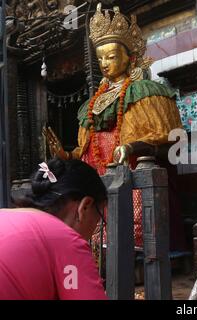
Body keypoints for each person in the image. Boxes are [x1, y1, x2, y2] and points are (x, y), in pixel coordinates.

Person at [42, 3, 184, 250]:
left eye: (111, 56)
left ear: (130, 57)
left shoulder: (146, 93)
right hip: (98, 180)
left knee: (131, 226)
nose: (104, 63)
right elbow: (87, 148)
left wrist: (131, 147)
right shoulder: (91, 104)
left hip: (130, 176)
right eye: (100, 58)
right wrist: (67, 155)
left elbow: (169, 141)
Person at [0, 159, 108, 300]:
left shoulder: (5, 215)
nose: (96, 227)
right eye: (99, 218)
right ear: (85, 206)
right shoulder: (65, 239)